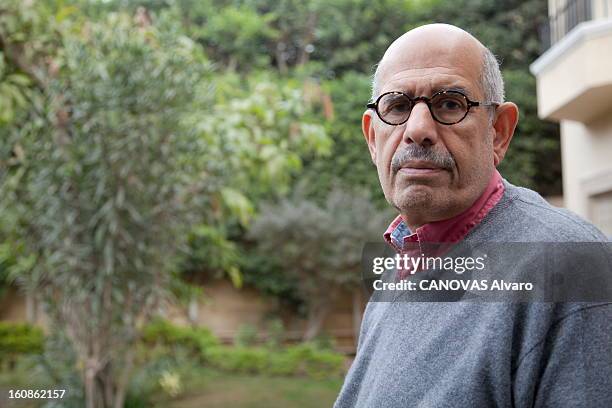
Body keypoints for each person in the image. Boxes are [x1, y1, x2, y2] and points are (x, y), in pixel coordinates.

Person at [333, 24, 612, 408]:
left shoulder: (571, 267)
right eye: (397, 107)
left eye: (450, 104)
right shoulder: (400, 265)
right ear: (372, 138)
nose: (417, 129)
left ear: (498, 132)